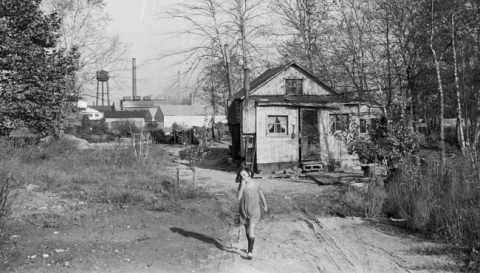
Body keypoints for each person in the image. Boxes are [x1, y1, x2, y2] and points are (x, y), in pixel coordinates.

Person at [236, 167, 267, 259]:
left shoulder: (257, 184)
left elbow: (261, 194)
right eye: (241, 176)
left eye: (244, 175)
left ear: (249, 173)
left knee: (251, 227)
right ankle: (250, 245)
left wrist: (265, 205)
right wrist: (242, 187)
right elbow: (238, 198)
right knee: (247, 230)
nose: (243, 177)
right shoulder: (241, 185)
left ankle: (250, 252)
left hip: (255, 211)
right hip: (243, 211)